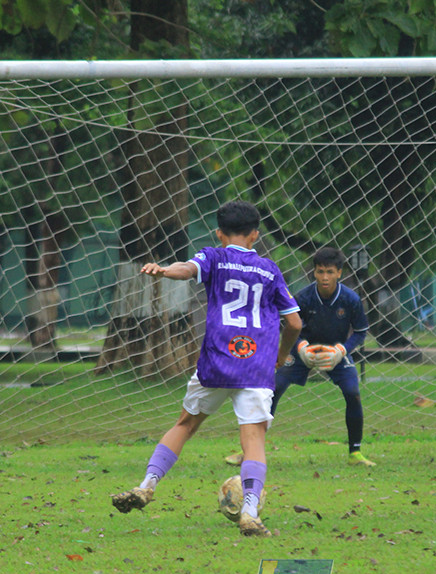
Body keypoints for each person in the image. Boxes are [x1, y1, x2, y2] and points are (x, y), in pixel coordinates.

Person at [111, 201, 302, 537]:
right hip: (256, 365)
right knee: (253, 440)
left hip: (217, 360)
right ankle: (250, 512)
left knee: (185, 424)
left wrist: (164, 270)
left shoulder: (214, 256)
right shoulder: (270, 270)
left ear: (218, 233)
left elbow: (186, 268)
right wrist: (281, 355)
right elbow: (295, 322)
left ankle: (146, 485)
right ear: (255, 235)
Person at [225, 246, 375, 468]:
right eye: (320, 271)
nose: (325, 277)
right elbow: (288, 325)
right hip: (301, 352)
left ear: (339, 273)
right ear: (314, 272)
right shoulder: (303, 297)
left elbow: (361, 331)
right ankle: (249, 450)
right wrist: (301, 346)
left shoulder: (351, 299)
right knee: (272, 389)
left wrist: (342, 351)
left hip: (334, 353)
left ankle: (355, 452)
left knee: (353, 392)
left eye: (330, 272)